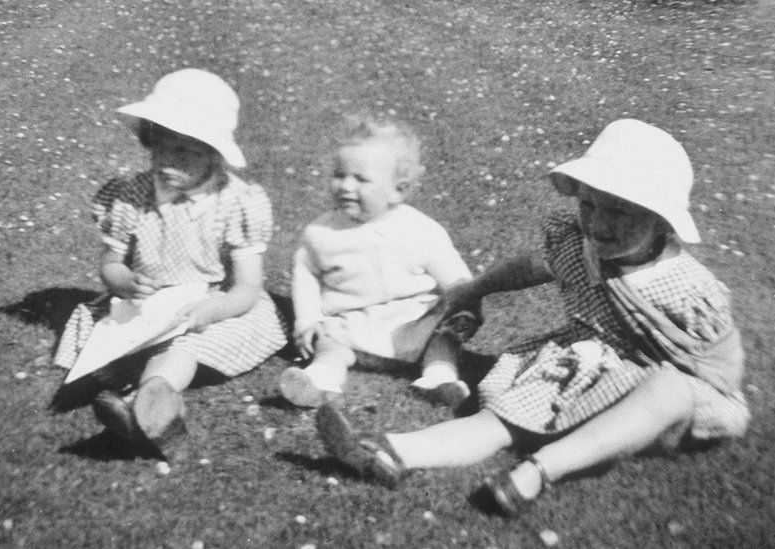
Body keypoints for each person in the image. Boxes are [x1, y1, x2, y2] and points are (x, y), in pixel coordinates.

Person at [315, 119, 750, 515]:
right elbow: (529, 267)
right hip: (585, 367)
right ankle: (392, 452)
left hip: (662, 399)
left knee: (668, 390)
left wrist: (677, 390)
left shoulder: (689, 289)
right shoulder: (580, 245)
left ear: (660, 221)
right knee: (501, 421)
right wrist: (476, 287)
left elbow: (720, 371)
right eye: (590, 206)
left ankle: (538, 472)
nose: (597, 223)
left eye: (618, 211)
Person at [53, 69, 287, 457]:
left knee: (185, 348)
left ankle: (147, 403)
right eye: (159, 146)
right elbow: (110, 263)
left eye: (185, 152)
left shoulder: (236, 203)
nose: (167, 160)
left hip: (206, 304)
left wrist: (217, 307)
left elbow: (248, 287)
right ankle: (144, 411)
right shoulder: (131, 196)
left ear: (214, 154)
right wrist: (124, 281)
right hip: (146, 303)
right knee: (103, 333)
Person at [278, 115, 476, 408]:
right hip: (351, 329)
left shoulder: (420, 230)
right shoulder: (320, 233)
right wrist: (307, 320)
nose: (345, 186)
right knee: (328, 345)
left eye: (360, 179)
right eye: (339, 175)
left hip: (413, 326)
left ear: (398, 189)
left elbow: (456, 278)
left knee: (443, 338)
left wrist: (465, 308)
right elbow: (306, 276)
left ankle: (439, 378)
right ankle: (321, 379)